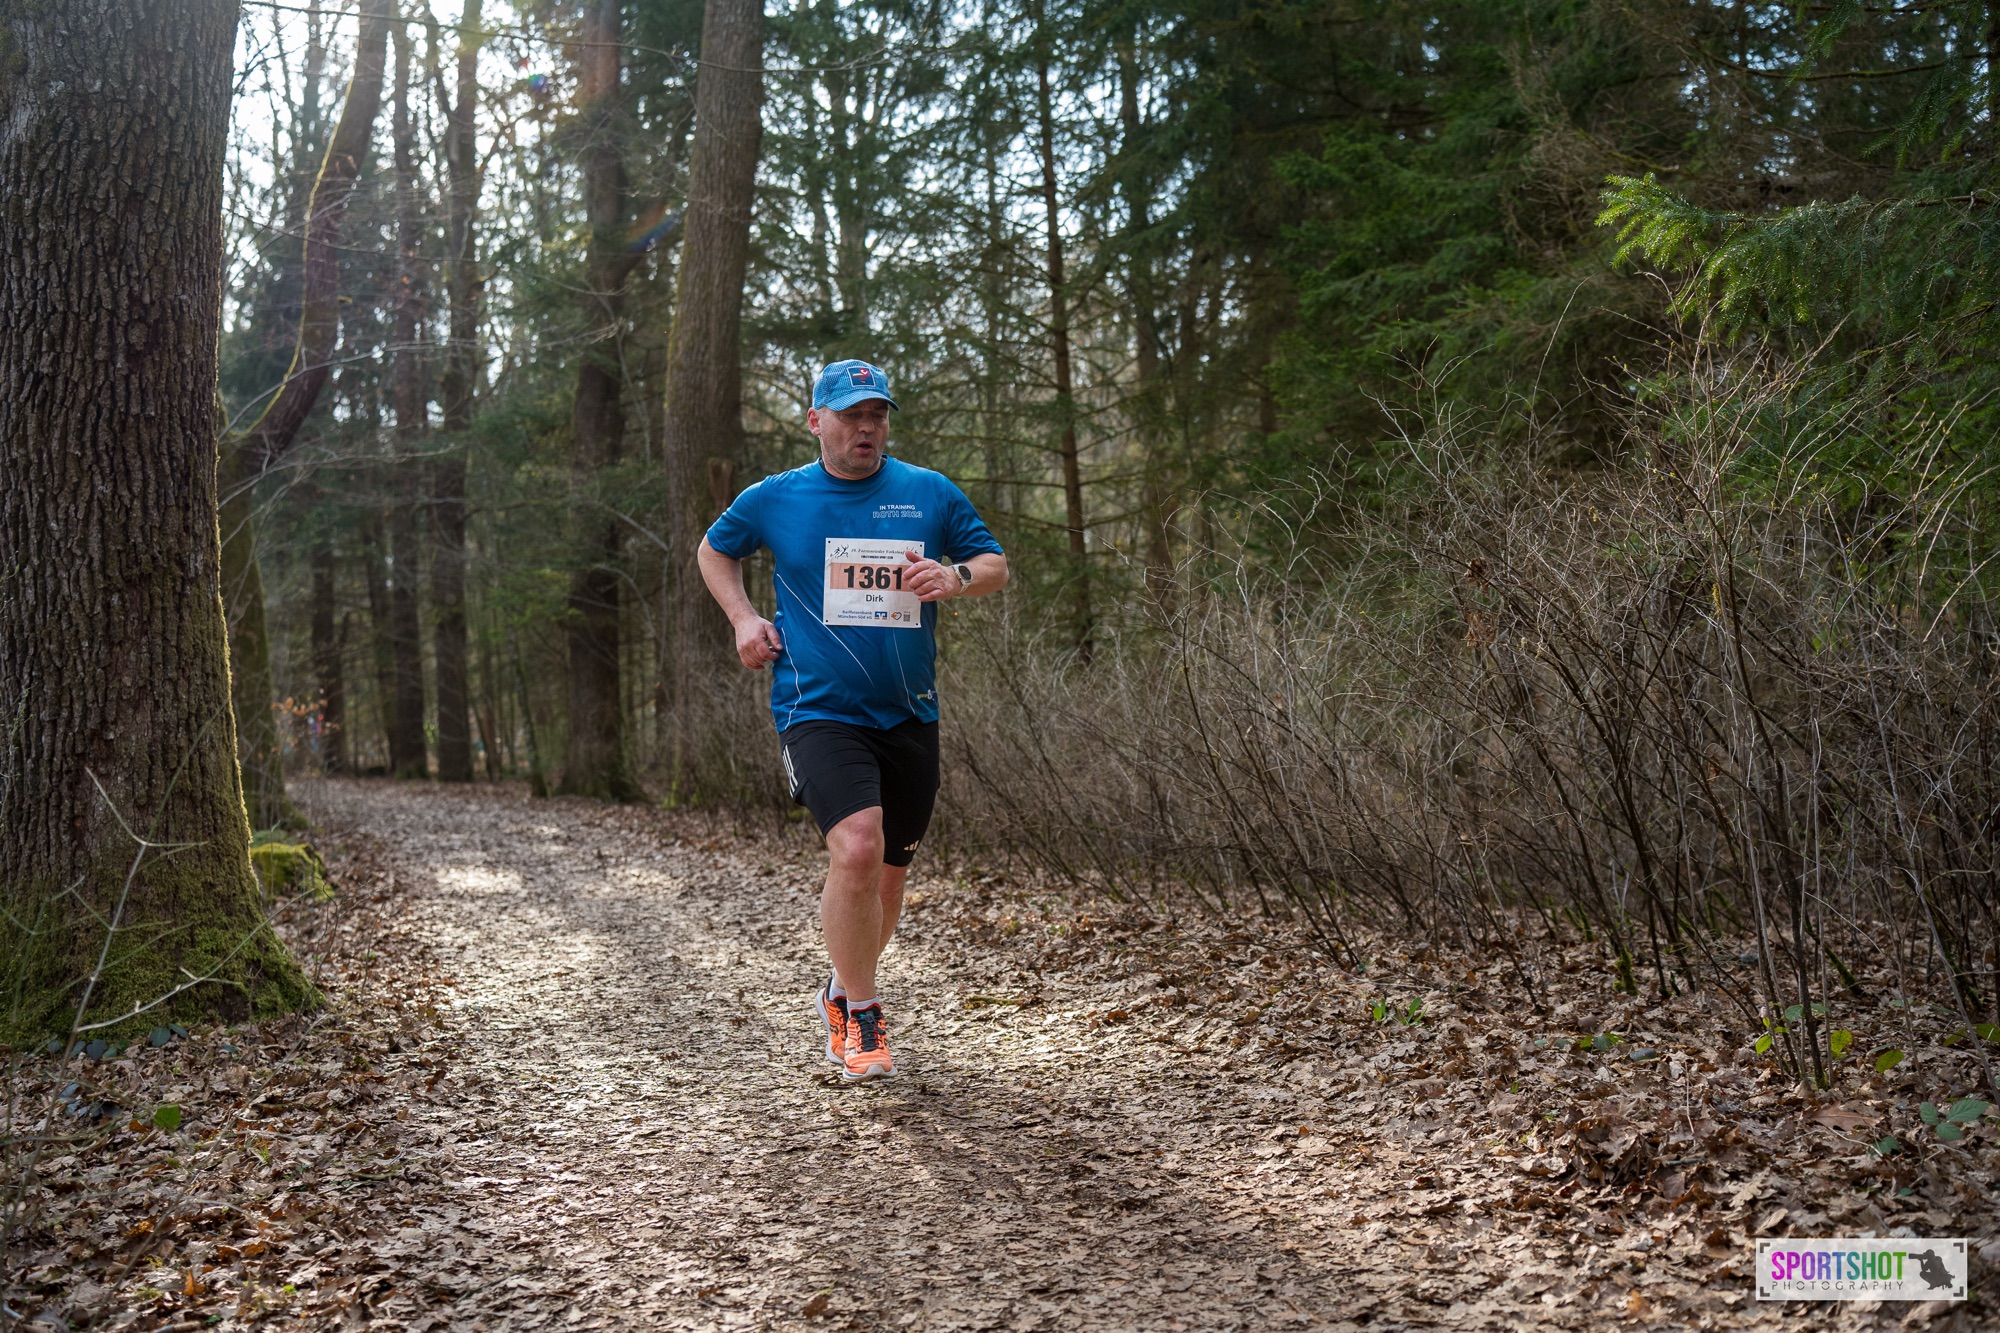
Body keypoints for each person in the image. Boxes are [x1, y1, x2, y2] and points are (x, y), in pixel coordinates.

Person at [697, 359, 1009, 1080]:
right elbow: (714, 549)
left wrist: (956, 577)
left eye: (877, 416)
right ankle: (865, 1019)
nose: (866, 428)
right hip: (816, 708)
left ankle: (840, 989)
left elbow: (993, 562)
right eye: (850, 415)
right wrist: (743, 618)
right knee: (858, 848)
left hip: (908, 712)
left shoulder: (927, 493)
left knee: (890, 877)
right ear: (817, 421)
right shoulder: (776, 498)